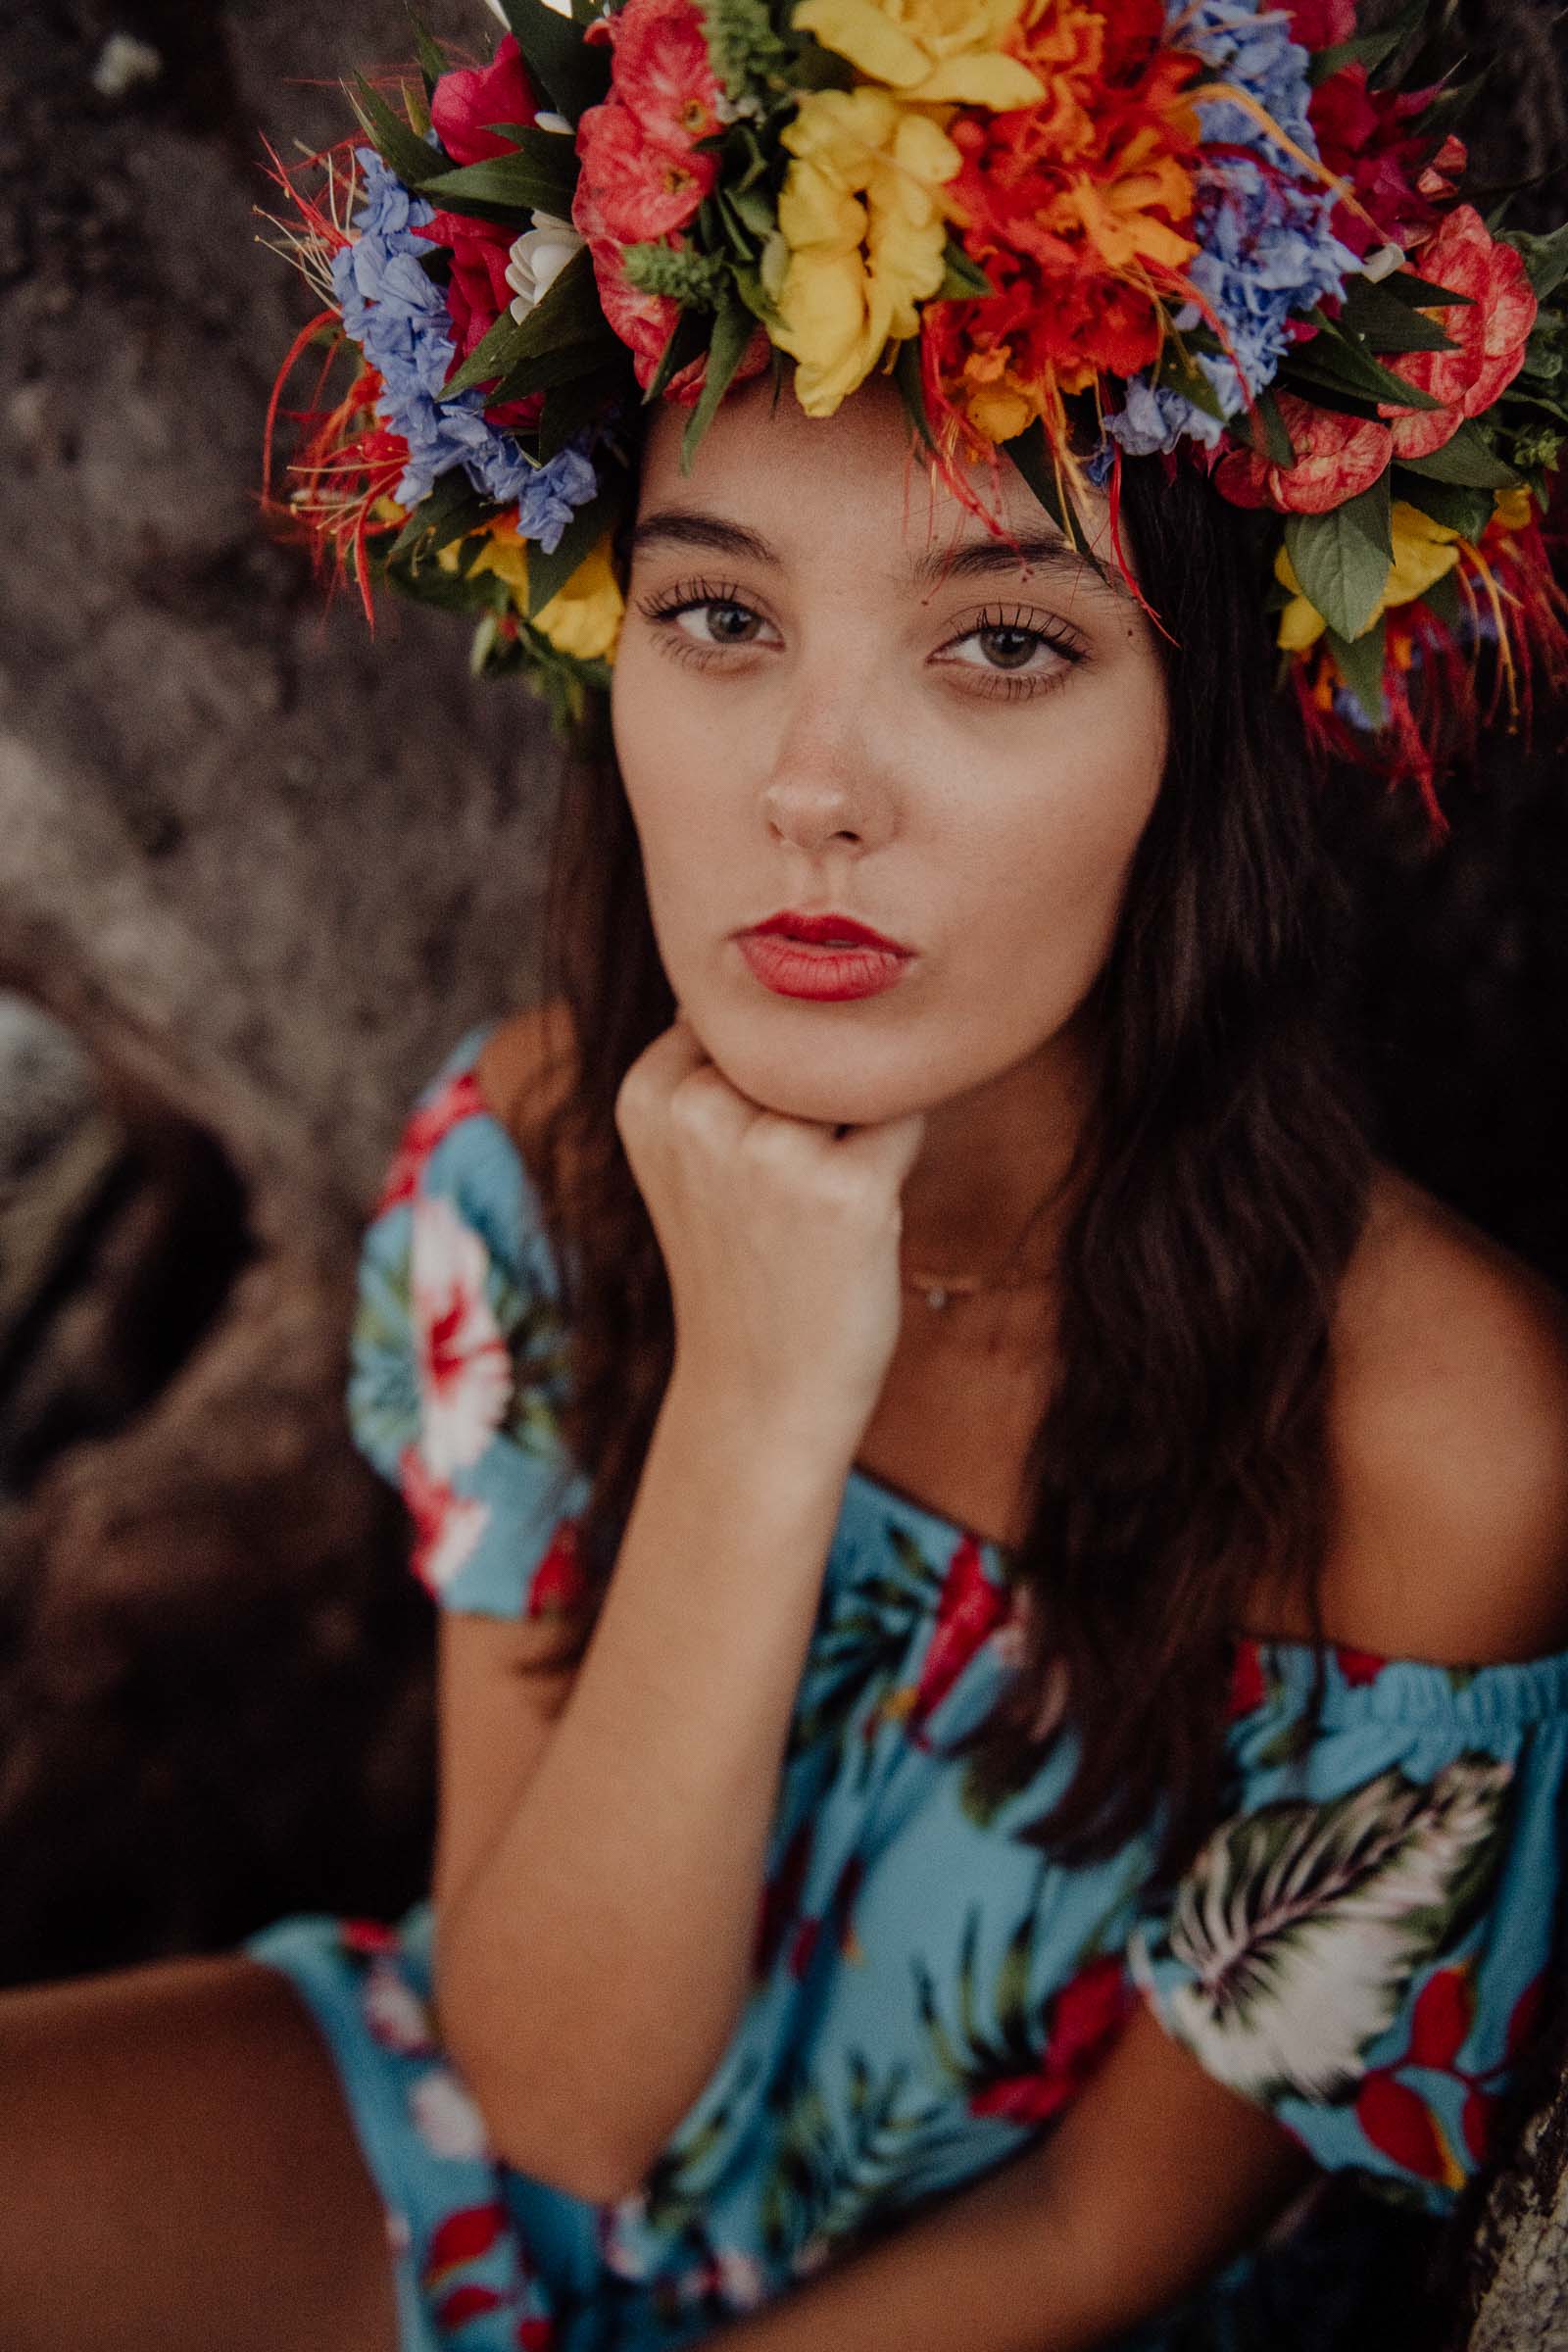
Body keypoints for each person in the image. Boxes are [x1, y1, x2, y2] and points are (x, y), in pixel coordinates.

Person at [7, 3, 1568, 2348]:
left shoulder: (1432, 1434)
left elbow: (1105, 2238)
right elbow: (536, 2092)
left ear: (1198, 750)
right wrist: (752, 1392)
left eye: (1004, 648)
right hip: (490, 2123)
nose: (812, 786)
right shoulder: (529, 1166)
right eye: (721, 616)